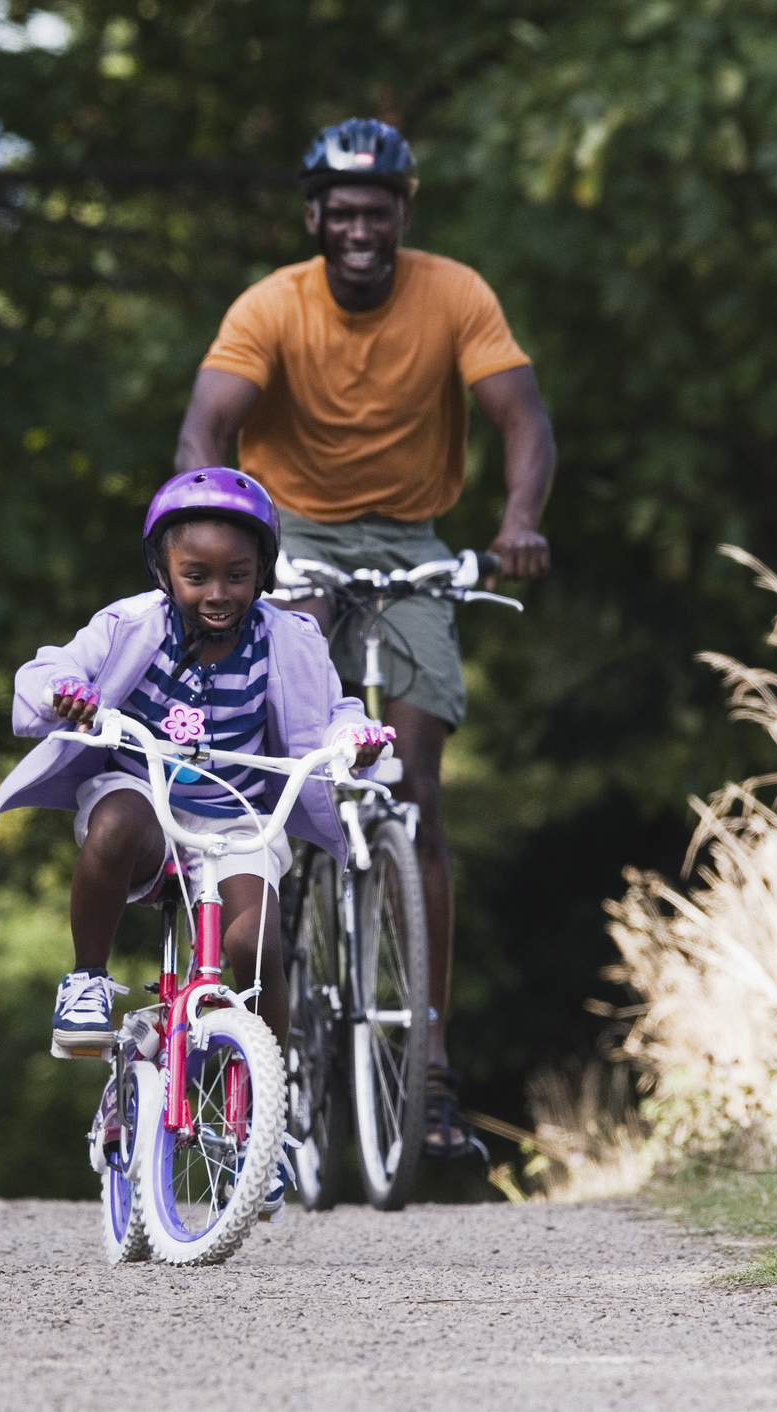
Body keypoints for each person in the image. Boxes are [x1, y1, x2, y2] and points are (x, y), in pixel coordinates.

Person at [171, 118, 558, 1161]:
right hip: (287, 535)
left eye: (375, 211)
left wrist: (516, 522)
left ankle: (427, 1067)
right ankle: (278, 1051)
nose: (357, 228)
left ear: (400, 215)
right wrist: (215, 532)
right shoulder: (270, 306)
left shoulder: (453, 293)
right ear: (313, 217)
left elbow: (521, 418)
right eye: (339, 212)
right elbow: (206, 430)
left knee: (416, 784)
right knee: (294, 778)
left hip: (413, 545)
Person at [0, 467, 391, 1215]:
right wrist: (64, 697)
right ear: (164, 572)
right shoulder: (127, 626)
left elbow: (333, 713)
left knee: (257, 945)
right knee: (112, 824)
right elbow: (46, 675)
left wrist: (356, 739)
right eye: (196, 574)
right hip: (147, 806)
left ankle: (265, 1117)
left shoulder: (289, 640)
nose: (217, 592)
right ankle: (85, 979)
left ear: (262, 573)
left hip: (239, 817)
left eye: (238, 575)